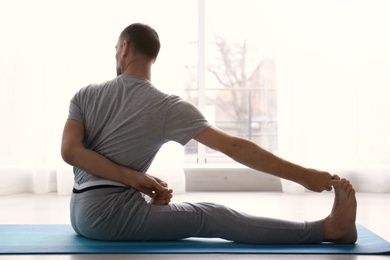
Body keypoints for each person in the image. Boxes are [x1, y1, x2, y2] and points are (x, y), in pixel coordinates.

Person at [61, 23, 357, 244]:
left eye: (116, 49)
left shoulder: (85, 94)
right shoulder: (167, 106)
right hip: (108, 217)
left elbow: (71, 151)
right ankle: (328, 229)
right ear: (153, 57)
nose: (117, 54)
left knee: (193, 210)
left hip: (79, 211)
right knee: (212, 215)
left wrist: (137, 182)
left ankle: (328, 227)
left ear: (124, 48)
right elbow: (234, 147)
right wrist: (303, 175)